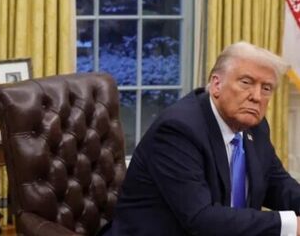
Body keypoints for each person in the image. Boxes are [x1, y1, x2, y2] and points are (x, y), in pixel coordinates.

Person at [107, 41, 300, 235]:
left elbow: (278, 184)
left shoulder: (255, 127)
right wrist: (291, 225)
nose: (256, 97)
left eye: (266, 88)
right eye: (246, 82)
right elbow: (201, 219)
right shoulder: (178, 130)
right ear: (216, 85)